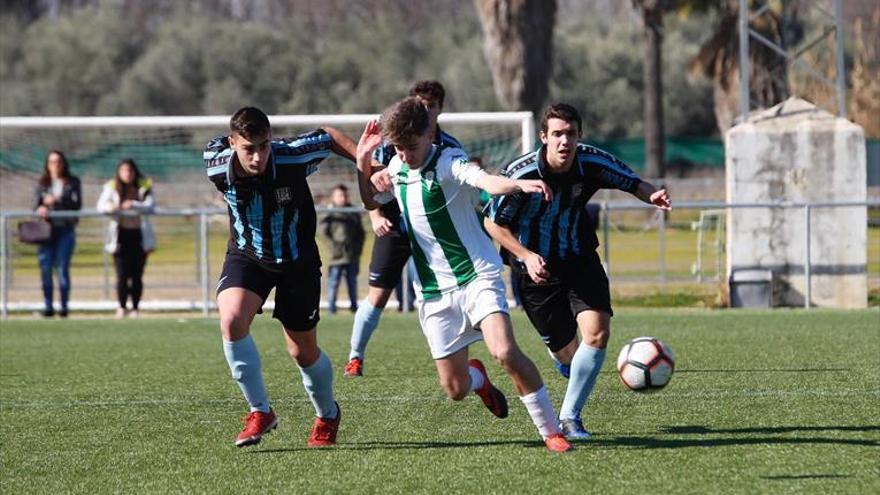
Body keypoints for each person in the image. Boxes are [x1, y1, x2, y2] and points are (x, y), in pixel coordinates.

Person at [356, 97, 572, 453]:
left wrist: (518, 185)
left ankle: (550, 430)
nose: (404, 154)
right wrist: (363, 163)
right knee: (455, 389)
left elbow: (484, 180)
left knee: (504, 350)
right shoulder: (396, 167)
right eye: (397, 148)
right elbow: (371, 201)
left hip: (477, 277)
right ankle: (478, 379)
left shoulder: (448, 161)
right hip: (433, 292)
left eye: (410, 146)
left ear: (429, 134)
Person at [484, 103, 672, 440]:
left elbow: (634, 183)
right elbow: (492, 222)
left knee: (597, 333)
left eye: (570, 133)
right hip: (536, 272)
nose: (564, 141)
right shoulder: (522, 173)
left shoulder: (591, 161)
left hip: (580, 257)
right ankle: (566, 364)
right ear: (544, 137)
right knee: (570, 357)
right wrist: (525, 255)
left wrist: (652, 195)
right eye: (556, 134)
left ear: (579, 135)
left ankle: (570, 418)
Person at [204, 106, 361, 448]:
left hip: (297, 261)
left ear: (271, 139)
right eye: (248, 149)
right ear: (233, 144)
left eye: (263, 146)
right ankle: (260, 411)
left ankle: (327, 414)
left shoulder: (291, 157)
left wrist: (368, 161)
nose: (258, 156)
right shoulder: (217, 166)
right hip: (247, 256)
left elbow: (330, 135)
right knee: (231, 320)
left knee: (302, 352)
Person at [345, 80, 463, 377]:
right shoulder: (393, 146)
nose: (424, 109)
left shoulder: (451, 148)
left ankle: (461, 359)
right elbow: (373, 185)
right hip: (395, 227)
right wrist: (374, 218)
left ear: (440, 109)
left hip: (434, 235)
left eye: (430, 105)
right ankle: (355, 356)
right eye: (419, 103)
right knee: (379, 295)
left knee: (456, 290)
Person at [97, 159, 156, 318]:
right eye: (124, 171)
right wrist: (112, 207)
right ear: (118, 172)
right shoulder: (112, 187)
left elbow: (150, 206)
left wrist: (133, 204)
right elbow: (101, 206)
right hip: (119, 236)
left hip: (139, 236)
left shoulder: (144, 186)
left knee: (137, 275)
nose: (127, 174)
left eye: (130, 171)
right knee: (122, 274)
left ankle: (135, 308)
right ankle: (122, 307)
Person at [33, 150, 81, 318]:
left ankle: (64, 307)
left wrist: (58, 200)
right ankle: (48, 306)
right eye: (52, 162)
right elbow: (35, 206)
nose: (55, 165)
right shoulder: (42, 183)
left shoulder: (72, 182)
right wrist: (41, 207)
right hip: (46, 231)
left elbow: (77, 205)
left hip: (65, 230)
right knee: (45, 268)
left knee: (62, 268)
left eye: (58, 161)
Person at [320, 184, 364, 314]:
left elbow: (360, 233)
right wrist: (334, 248)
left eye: (345, 195)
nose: (343, 198)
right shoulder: (330, 213)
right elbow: (324, 232)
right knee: (333, 282)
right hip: (336, 257)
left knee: (352, 282)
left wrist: (357, 249)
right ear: (333, 197)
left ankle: (354, 307)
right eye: (339, 195)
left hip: (351, 255)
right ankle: (331, 309)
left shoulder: (353, 212)